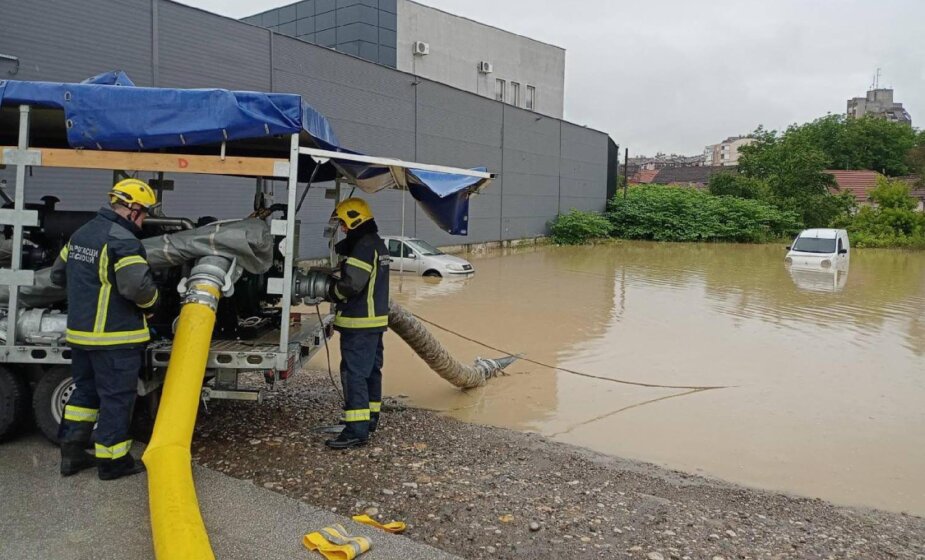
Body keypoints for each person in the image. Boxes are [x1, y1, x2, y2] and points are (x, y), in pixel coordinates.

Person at [51, 178, 160, 479]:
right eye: (145, 212)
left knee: (85, 393)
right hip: (115, 338)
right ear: (133, 209)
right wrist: (153, 303)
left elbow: (57, 277)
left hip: (81, 336)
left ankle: (71, 454)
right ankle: (113, 462)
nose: (145, 219)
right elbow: (137, 287)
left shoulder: (81, 235)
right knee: (116, 398)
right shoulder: (123, 240)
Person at [325, 198, 390, 450]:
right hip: (373, 322)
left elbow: (352, 284)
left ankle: (356, 430)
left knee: (354, 375)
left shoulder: (362, 246)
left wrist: (331, 291)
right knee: (371, 372)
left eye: (343, 223)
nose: (342, 228)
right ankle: (370, 418)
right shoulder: (376, 243)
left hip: (359, 323)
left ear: (355, 219)